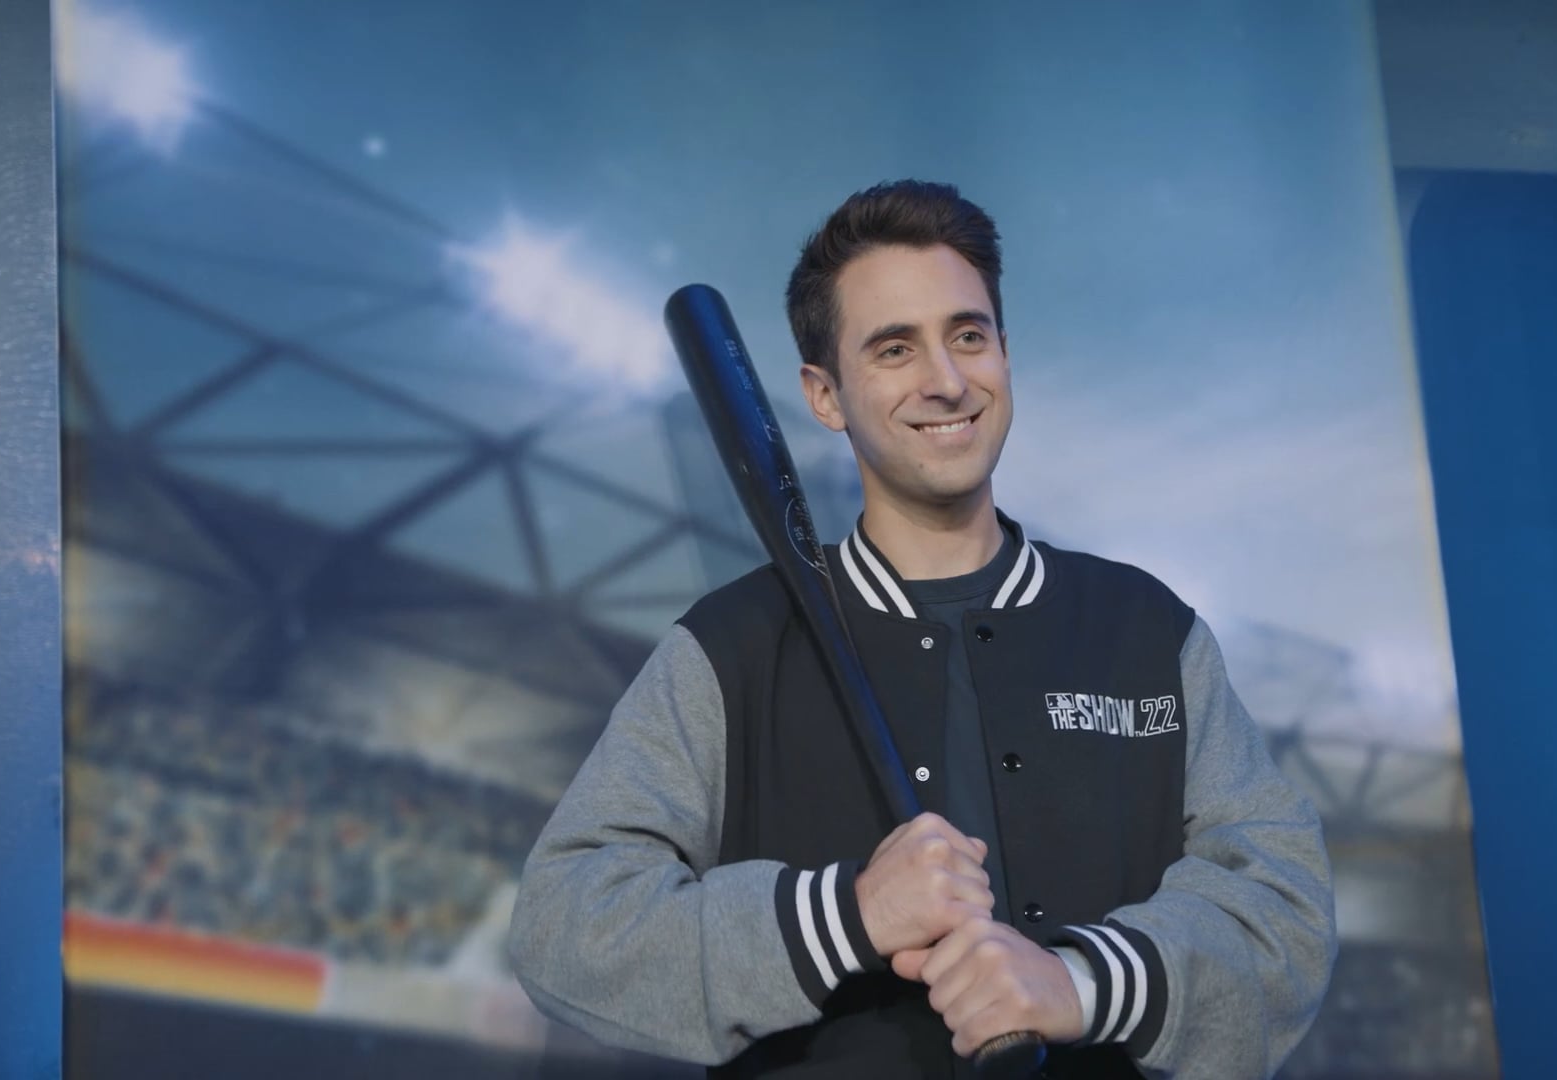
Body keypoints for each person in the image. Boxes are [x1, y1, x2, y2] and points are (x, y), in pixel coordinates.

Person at [508, 181, 1335, 1079]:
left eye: (968, 336)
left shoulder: (1147, 632)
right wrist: (846, 915)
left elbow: (1283, 906)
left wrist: (1084, 983)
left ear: (1006, 354)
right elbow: (566, 923)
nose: (946, 381)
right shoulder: (733, 645)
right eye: (895, 348)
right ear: (824, 395)